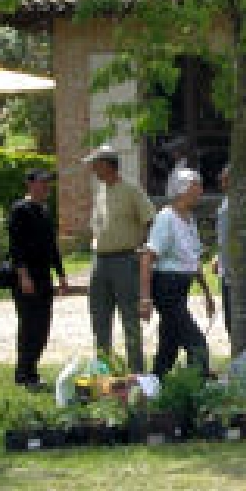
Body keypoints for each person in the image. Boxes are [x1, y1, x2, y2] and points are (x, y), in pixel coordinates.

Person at [84, 144, 155, 372]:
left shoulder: (131, 189)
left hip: (126, 260)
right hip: (100, 261)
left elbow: (150, 221)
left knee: (130, 319)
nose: (93, 169)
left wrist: (143, 252)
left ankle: (136, 372)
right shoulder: (101, 191)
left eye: (95, 164)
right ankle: (104, 371)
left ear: (106, 164)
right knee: (99, 318)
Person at [139, 168, 215, 378]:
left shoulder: (189, 219)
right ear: (182, 189)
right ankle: (196, 390)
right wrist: (145, 298)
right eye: (196, 185)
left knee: (169, 343)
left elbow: (193, 259)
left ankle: (156, 382)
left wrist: (208, 294)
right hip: (166, 288)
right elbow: (148, 256)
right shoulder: (166, 218)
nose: (200, 190)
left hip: (181, 287)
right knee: (196, 343)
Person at [7, 170, 68, 390]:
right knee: (29, 324)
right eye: (42, 183)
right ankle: (23, 372)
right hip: (26, 276)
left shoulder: (44, 211)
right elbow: (16, 247)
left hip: (43, 276)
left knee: (43, 325)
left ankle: (32, 369)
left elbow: (52, 247)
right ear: (30, 184)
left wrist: (61, 274)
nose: (46, 188)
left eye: (48, 184)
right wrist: (23, 275)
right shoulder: (19, 210)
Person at [214, 165, 234, 338]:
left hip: (234, 269)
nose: (221, 182)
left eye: (225, 179)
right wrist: (218, 257)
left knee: (233, 316)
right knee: (229, 316)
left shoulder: (234, 205)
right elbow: (224, 238)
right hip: (226, 267)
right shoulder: (226, 202)